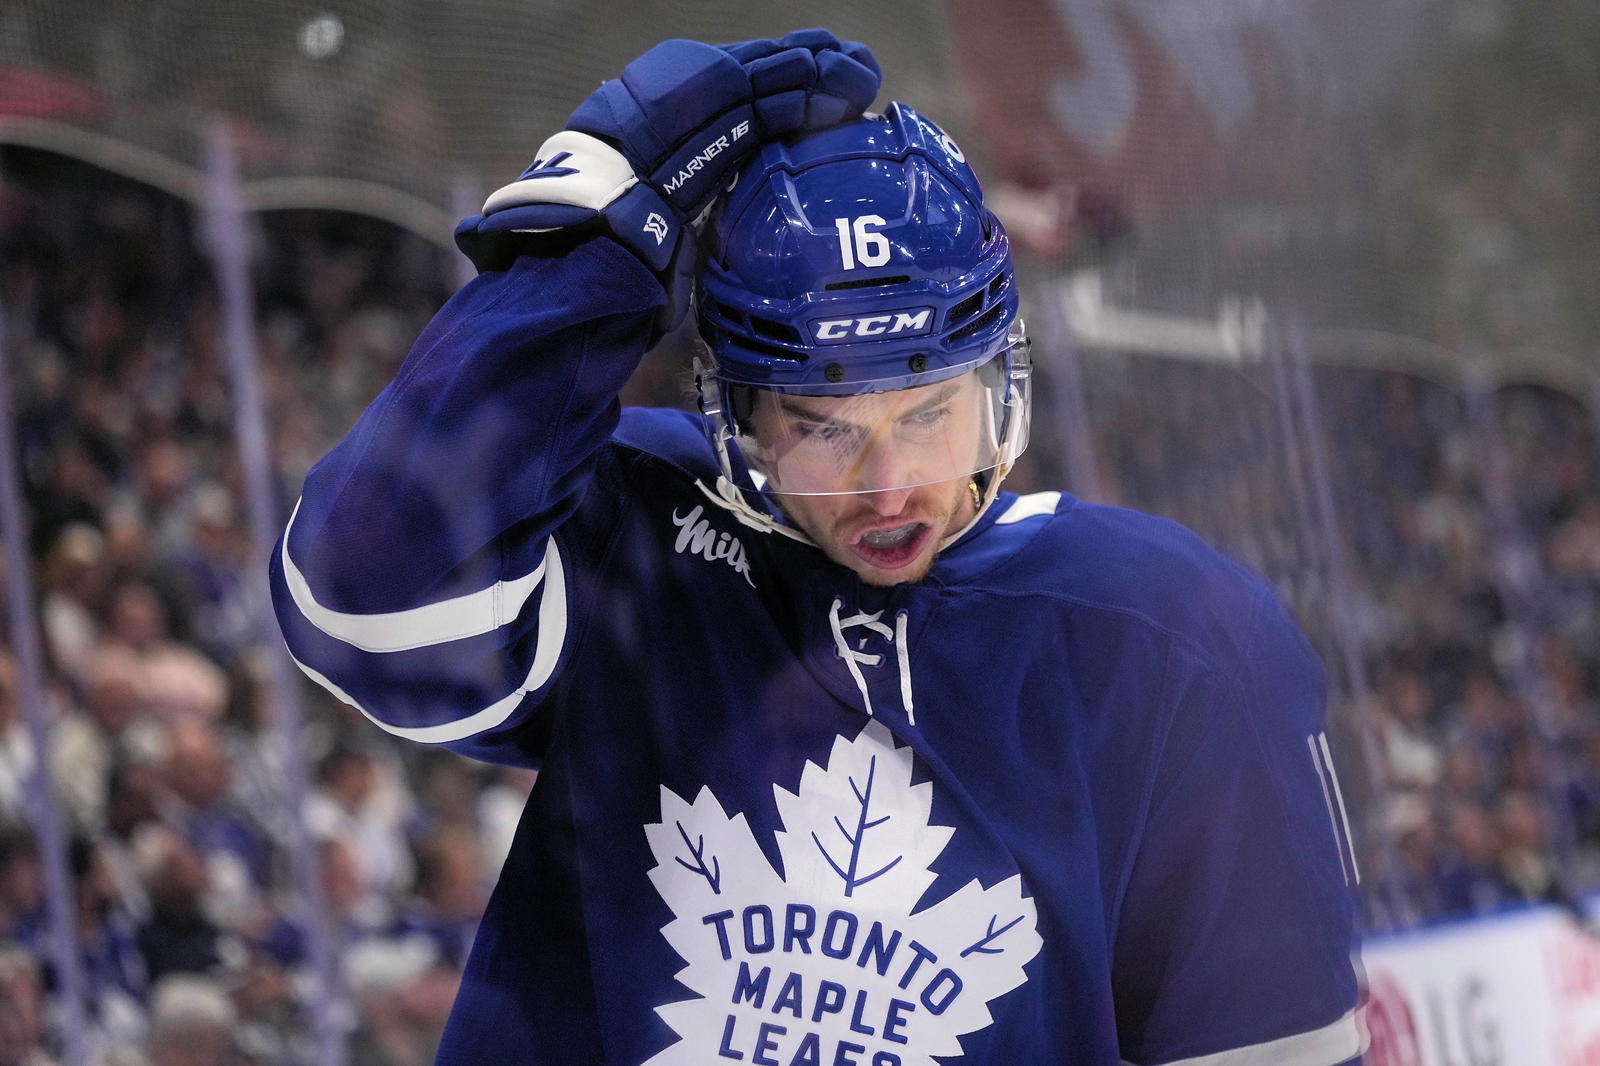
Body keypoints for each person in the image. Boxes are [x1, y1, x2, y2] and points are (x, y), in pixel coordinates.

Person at [270, 30, 1364, 1065]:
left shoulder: (1179, 639)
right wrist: (583, 244)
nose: (888, 486)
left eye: (928, 412)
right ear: (736, 412)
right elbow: (364, 600)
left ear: (997, 380)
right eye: (823, 429)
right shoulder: (637, 529)